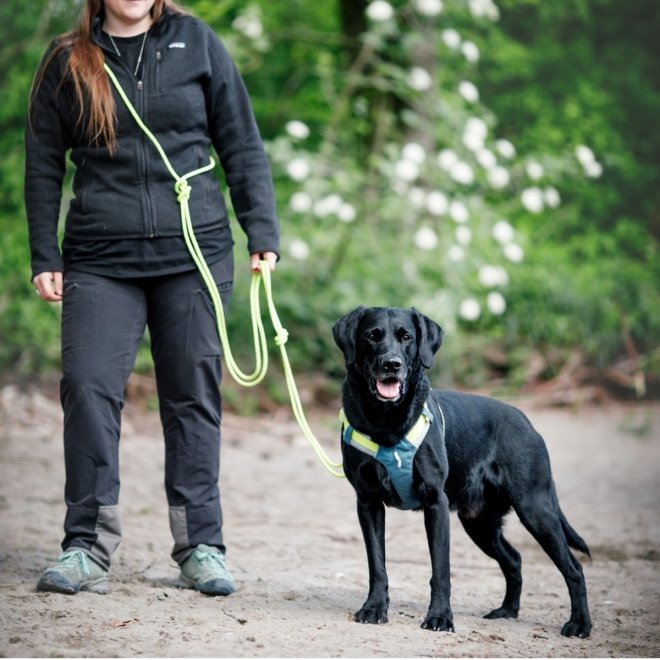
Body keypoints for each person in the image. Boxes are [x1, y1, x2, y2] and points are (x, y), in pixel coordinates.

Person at [25, 0, 279, 596]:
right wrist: (45, 253)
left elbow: (241, 141)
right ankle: (85, 545)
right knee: (87, 388)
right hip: (99, 257)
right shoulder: (67, 59)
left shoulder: (196, 41)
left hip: (194, 252)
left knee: (192, 394)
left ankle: (201, 547)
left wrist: (261, 232)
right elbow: (41, 163)